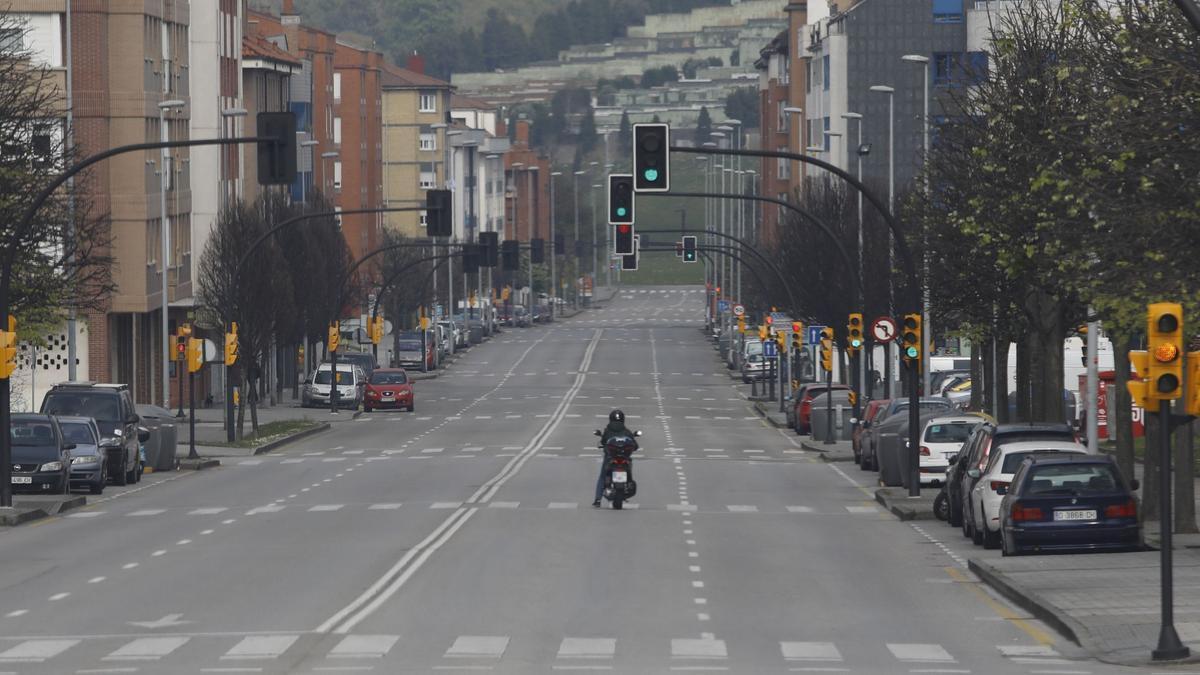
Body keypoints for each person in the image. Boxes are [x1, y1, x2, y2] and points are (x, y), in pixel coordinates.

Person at [594, 409, 632, 507]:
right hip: (624, 458)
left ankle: (598, 499)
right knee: (629, 470)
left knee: (603, 476)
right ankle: (628, 484)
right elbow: (634, 444)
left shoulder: (607, 430)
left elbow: (603, 442)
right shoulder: (626, 431)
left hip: (610, 458)